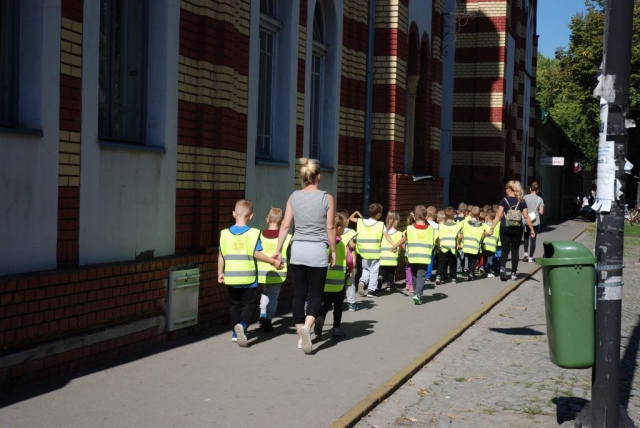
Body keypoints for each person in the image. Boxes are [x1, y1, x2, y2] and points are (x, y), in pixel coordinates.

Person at [274, 158, 336, 354]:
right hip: (317, 249)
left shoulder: (293, 197)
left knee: (299, 293)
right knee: (316, 293)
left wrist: (278, 249)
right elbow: (330, 227)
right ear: (319, 176)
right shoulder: (327, 198)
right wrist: (333, 250)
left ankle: (301, 335)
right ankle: (307, 328)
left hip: (298, 248)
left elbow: (285, 225)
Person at [218, 199, 282, 347]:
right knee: (250, 303)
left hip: (231, 277)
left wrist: (220, 272)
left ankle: (236, 333)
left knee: (234, 305)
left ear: (234, 213)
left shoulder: (224, 234)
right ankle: (243, 324)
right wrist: (272, 261)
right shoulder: (253, 233)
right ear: (251, 216)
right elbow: (256, 253)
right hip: (248, 278)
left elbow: (221, 255)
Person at [487, 180, 536, 282]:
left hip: (505, 228)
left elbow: (499, 216)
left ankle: (502, 268)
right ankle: (513, 273)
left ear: (510, 189)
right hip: (517, 229)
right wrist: (531, 229)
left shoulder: (504, 200)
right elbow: (526, 217)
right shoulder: (522, 201)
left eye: (506, 188)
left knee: (505, 250)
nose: (506, 190)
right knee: (515, 251)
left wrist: (492, 228)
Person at [391, 205, 435, 305]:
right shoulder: (430, 229)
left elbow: (404, 239)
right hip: (424, 257)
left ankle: (416, 292)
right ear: (426, 216)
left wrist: (395, 246)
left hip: (412, 256)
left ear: (414, 217)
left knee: (414, 274)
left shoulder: (409, 228)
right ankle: (418, 293)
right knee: (421, 275)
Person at [315, 212, 349, 338]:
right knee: (338, 304)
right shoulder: (341, 244)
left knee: (326, 301)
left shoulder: (324, 243)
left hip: (324, 279)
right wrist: (350, 269)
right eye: (344, 228)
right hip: (339, 280)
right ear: (339, 228)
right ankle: (336, 328)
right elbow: (349, 260)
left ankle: (320, 316)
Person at [257, 207, 292, 332]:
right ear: (282, 221)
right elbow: (289, 254)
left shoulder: (259, 235)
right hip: (278, 272)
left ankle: (262, 313)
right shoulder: (287, 237)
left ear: (267, 219)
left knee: (264, 292)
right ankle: (269, 319)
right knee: (274, 296)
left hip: (263, 272)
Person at [350, 203, 386, 298]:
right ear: (378, 214)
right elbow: (386, 236)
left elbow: (350, 218)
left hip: (363, 252)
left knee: (366, 269)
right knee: (374, 271)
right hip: (375, 252)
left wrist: (356, 212)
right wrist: (394, 245)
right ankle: (371, 290)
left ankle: (362, 281)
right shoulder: (380, 225)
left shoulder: (361, 222)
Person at [337, 209, 358, 311]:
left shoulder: (333, 230)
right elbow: (353, 246)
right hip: (348, 260)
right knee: (350, 282)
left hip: (336, 261)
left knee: (336, 282)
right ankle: (351, 303)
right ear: (347, 220)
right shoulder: (351, 232)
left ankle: (334, 304)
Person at [436, 206, 462, 284]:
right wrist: (458, 243)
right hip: (452, 247)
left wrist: (438, 244)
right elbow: (460, 236)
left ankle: (439, 276)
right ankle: (453, 278)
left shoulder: (441, 226)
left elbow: (438, 237)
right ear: (454, 215)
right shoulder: (456, 226)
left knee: (441, 263)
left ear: (445, 215)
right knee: (453, 263)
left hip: (443, 246)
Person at [458, 206, 484, 281]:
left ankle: (470, 272)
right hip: (475, 246)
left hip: (467, 245)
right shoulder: (480, 225)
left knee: (469, 260)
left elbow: (460, 231)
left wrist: (459, 242)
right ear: (479, 214)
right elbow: (482, 235)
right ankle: (471, 273)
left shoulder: (465, 222)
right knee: (474, 260)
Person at [522, 182, 545, 263]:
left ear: (530, 189)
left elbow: (521, 207)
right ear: (537, 190)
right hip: (535, 221)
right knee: (533, 239)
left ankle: (525, 253)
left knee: (526, 237)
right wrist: (537, 210)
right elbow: (541, 212)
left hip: (526, 220)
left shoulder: (525, 197)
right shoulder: (540, 199)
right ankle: (531, 257)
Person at [379, 211, 402, 291]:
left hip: (383, 255)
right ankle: (390, 284)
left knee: (383, 268)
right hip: (393, 255)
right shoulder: (399, 233)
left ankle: (380, 276)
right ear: (396, 221)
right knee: (391, 271)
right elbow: (401, 245)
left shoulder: (383, 232)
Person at [482, 210, 500, 277]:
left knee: (485, 259)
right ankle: (489, 272)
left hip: (485, 245)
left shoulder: (483, 225)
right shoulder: (497, 225)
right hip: (492, 246)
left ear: (488, 217)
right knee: (490, 259)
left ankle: (486, 270)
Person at [426, 206, 439, 281]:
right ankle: (428, 275)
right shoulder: (436, 225)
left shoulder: (425, 224)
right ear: (435, 215)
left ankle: (424, 274)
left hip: (425, 244)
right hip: (432, 245)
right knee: (430, 260)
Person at [404, 212, 415, 293]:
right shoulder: (415, 230)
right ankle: (411, 285)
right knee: (413, 269)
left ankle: (407, 283)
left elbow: (403, 243)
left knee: (408, 268)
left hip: (407, 253)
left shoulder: (406, 230)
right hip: (414, 252)